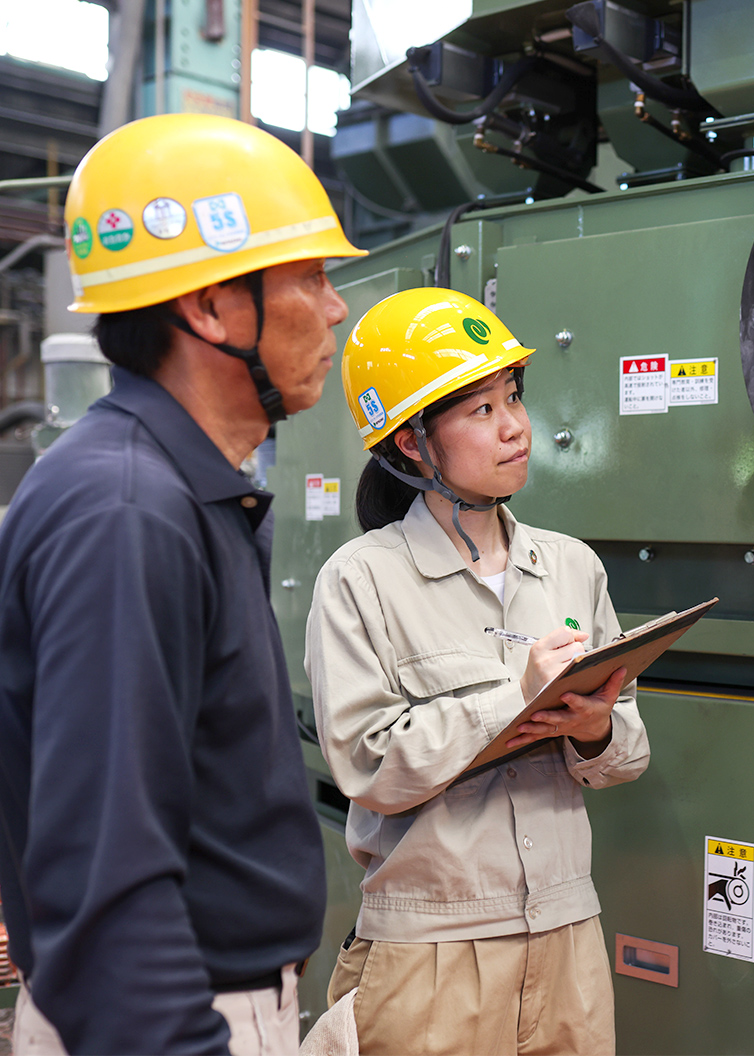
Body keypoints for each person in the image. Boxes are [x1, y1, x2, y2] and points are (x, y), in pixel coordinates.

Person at [0, 113, 366, 1054]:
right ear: (210, 308)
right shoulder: (128, 511)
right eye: (311, 278)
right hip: (166, 1015)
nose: (335, 310)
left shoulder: (178, 488)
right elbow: (106, 881)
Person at [305, 288, 650, 1055]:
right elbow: (369, 768)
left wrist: (595, 730)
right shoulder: (361, 579)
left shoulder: (570, 567)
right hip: (432, 954)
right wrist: (515, 698)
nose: (516, 427)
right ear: (411, 443)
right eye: (480, 410)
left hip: (568, 936)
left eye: (514, 397)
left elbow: (627, 754)